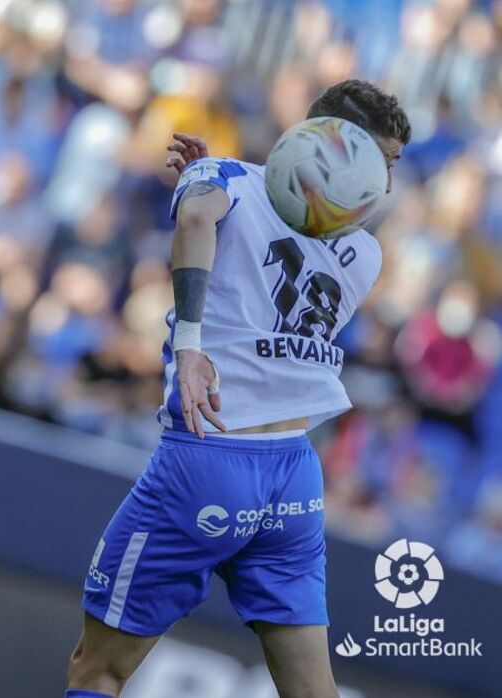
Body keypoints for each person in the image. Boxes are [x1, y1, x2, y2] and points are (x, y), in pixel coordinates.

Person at [66, 79, 411, 698]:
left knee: (99, 671)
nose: (384, 184)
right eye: (379, 161)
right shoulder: (366, 252)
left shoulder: (225, 179)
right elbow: (281, 237)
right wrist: (218, 176)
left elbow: (205, 216)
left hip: (210, 454)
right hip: (295, 479)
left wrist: (191, 342)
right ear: (332, 143)